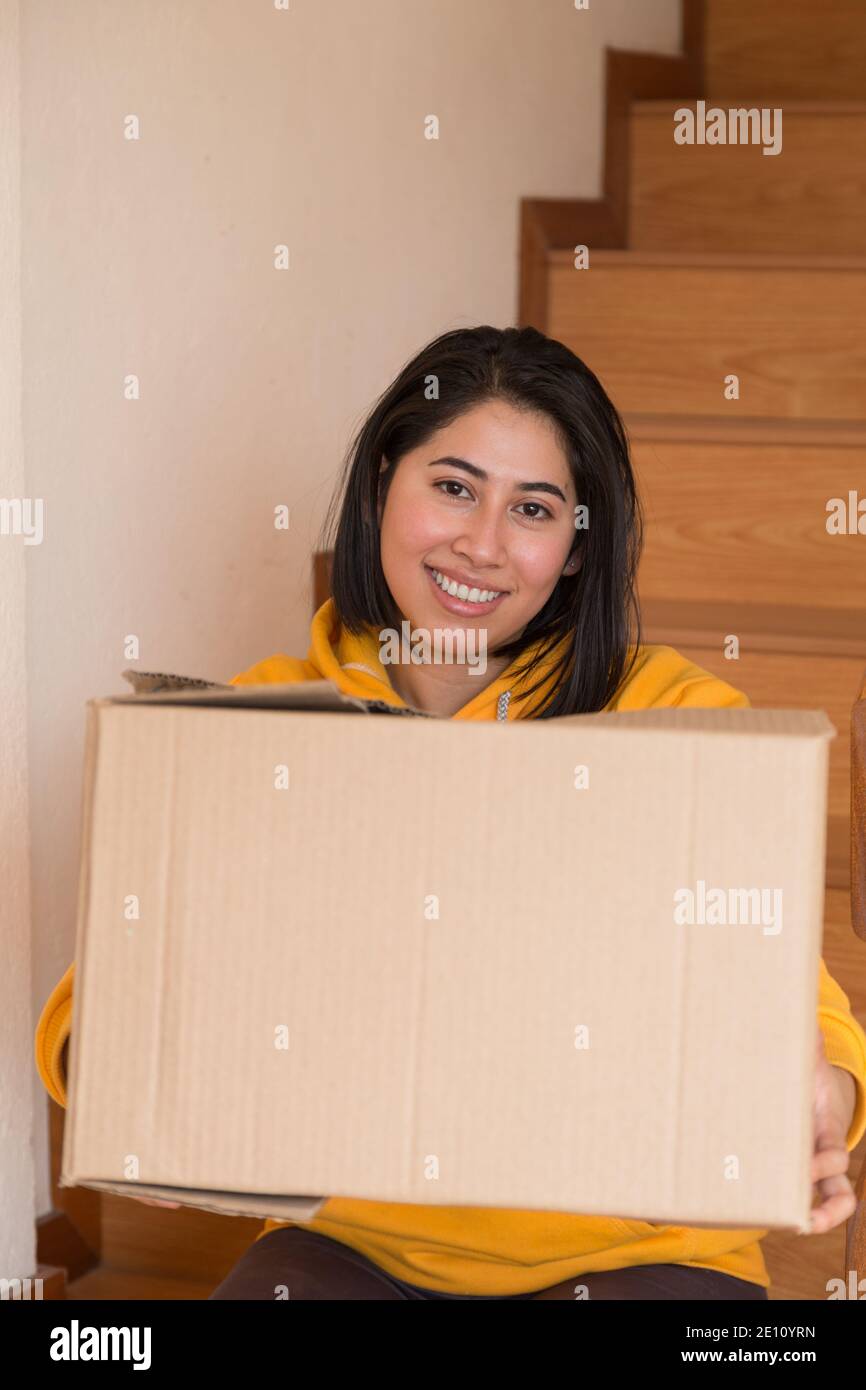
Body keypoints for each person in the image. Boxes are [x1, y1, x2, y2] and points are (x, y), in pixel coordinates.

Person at [35, 325, 866, 1301]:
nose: (481, 542)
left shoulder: (677, 723)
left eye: (533, 508)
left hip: (642, 1253)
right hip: (357, 1246)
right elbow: (116, 984)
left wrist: (826, 1089)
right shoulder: (262, 723)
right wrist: (127, 1080)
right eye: (453, 487)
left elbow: (783, 992)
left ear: (572, 548)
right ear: (383, 482)